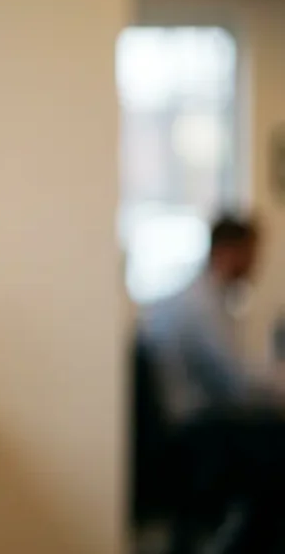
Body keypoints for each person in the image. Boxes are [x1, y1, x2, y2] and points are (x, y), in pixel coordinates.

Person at [139, 214, 285, 553]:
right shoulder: (201, 304)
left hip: (197, 428)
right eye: (252, 253)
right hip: (196, 435)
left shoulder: (203, 298)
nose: (256, 264)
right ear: (229, 252)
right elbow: (239, 384)